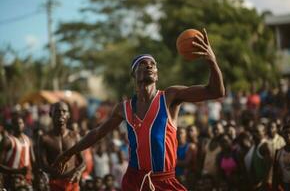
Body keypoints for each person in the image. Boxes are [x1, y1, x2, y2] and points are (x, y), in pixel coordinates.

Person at [53, 29, 225, 190]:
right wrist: (69, 153)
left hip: (164, 180)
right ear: (134, 74)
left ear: (157, 75)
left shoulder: (170, 97)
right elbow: (97, 133)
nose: (149, 66)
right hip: (135, 180)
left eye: (153, 64)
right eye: (143, 64)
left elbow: (216, 91)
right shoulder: (124, 108)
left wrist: (212, 61)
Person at [38, 102, 86, 191]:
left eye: (64, 111)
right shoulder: (44, 138)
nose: (61, 114)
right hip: (54, 184)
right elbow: (42, 164)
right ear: (50, 114)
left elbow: (83, 162)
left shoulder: (75, 136)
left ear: (69, 115)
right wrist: (54, 171)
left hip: (72, 184)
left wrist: (78, 172)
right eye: (57, 111)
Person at [0, 113, 36, 190]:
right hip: (11, 181)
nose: (18, 125)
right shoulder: (7, 141)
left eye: (20, 123)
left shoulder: (28, 140)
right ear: (12, 126)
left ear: (24, 125)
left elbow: (33, 162)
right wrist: (17, 171)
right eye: (15, 123)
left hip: (27, 181)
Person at [273, 124, 290, 191]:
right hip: (285, 186)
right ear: (282, 135)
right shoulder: (279, 152)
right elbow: (276, 173)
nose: (288, 135)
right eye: (285, 133)